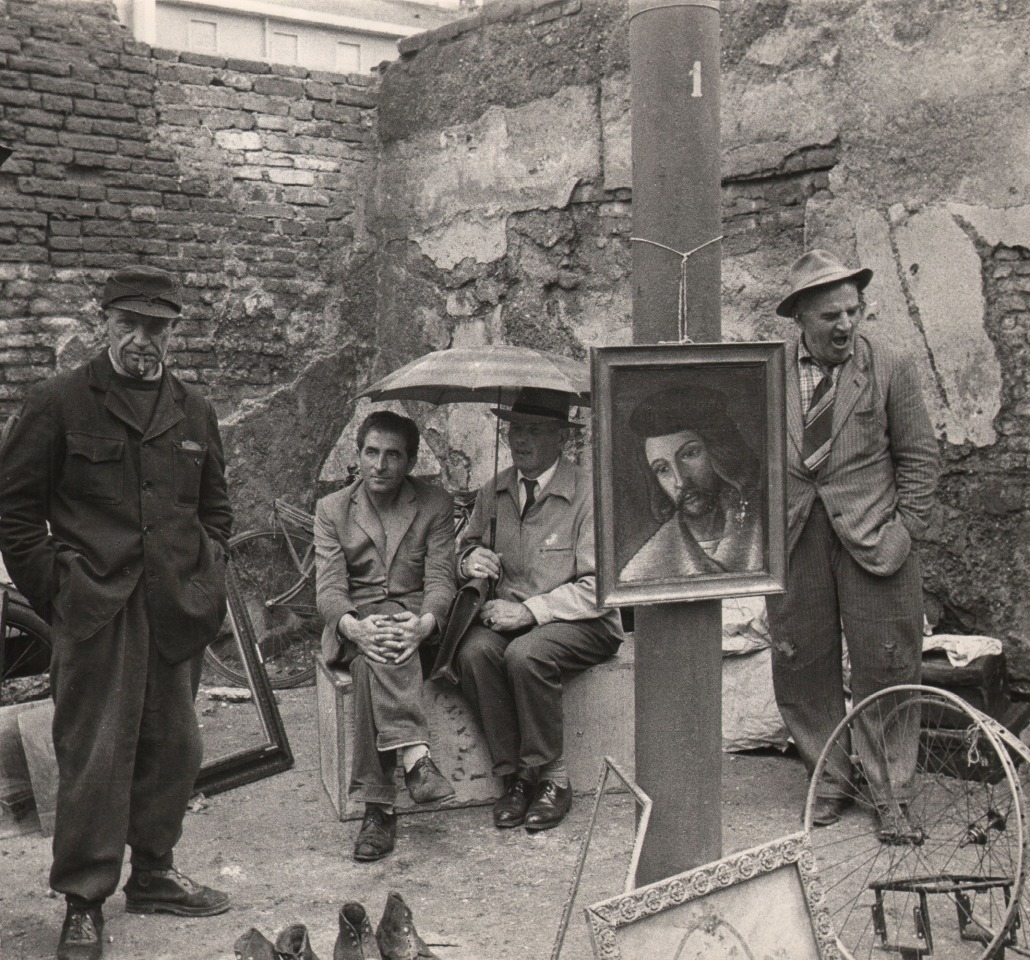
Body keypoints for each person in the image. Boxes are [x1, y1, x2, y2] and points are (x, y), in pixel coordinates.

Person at [0, 266, 234, 960]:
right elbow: (14, 513)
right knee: (95, 754)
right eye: (128, 323)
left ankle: (155, 874)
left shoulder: (194, 410)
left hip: (174, 607)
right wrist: (58, 592)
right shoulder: (61, 402)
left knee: (175, 748)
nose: (141, 339)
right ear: (104, 321)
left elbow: (216, 507)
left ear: (172, 331)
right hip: (96, 608)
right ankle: (83, 899)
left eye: (156, 326)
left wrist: (208, 570)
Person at [767, 249, 939, 842]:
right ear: (799, 320)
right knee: (799, 662)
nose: (844, 325)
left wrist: (904, 531)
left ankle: (892, 792)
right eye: (829, 316)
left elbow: (920, 459)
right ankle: (832, 779)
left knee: (888, 663)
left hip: (875, 541)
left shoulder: (889, 364)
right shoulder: (768, 370)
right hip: (794, 537)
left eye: (853, 311)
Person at [456, 387, 623, 832]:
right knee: (473, 652)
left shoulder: (590, 493)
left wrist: (531, 612)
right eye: (514, 428)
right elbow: (467, 545)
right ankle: (513, 777)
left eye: (534, 430)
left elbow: (600, 588)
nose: (519, 440)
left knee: (525, 654)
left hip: (584, 621)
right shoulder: (496, 490)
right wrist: (470, 559)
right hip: (512, 615)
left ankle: (553, 776)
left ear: (561, 438)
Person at [314, 410, 457, 863]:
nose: (380, 465)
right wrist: (352, 625)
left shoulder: (434, 504)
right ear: (357, 456)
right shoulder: (333, 509)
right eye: (371, 453)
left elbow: (440, 581)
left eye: (393, 455)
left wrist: (426, 623)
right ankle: (416, 760)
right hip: (358, 623)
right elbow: (330, 588)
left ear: (410, 462)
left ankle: (378, 812)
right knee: (371, 646)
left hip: (412, 624)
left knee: (370, 661)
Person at [621, 385, 764, 581]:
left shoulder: (773, 531)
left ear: (719, 450)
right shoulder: (643, 571)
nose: (680, 480)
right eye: (662, 469)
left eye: (689, 454)